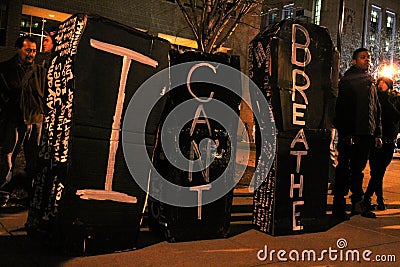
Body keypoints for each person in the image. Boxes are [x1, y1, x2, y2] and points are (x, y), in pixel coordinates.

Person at [332, 47, 382, 220]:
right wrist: (346, 133)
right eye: (363, 57)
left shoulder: (370, 82)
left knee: (358, 170)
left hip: (366, 134)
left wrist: (377, 133)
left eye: (368, 57)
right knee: (344, 170)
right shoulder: (348, 80)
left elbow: (376, 109)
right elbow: (342, 109)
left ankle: (357, 204)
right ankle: (338, 206)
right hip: (352, 134)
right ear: (354, 61)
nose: (367, 60)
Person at [0, 36, 46, 198]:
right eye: (28, 50)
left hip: (36, 119)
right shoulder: (5, 69)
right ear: (18, 49)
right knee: (8, 154)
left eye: (34, 51)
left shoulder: (40, 71)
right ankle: (4, 189)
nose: (31, 54)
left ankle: (31, 188)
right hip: (14, 119)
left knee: (34, 156)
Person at [364, 77, 400, 210]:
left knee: (379, 171)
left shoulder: (395, 98)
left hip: (389, 140)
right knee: (376, 171)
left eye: (383, 83)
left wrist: (386, 101)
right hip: (375, 139)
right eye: (379, 83)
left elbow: (396, 116)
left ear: (389, 85)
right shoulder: (374, 97)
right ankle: (379, 200)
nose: (380, 85)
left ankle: (368, 197)